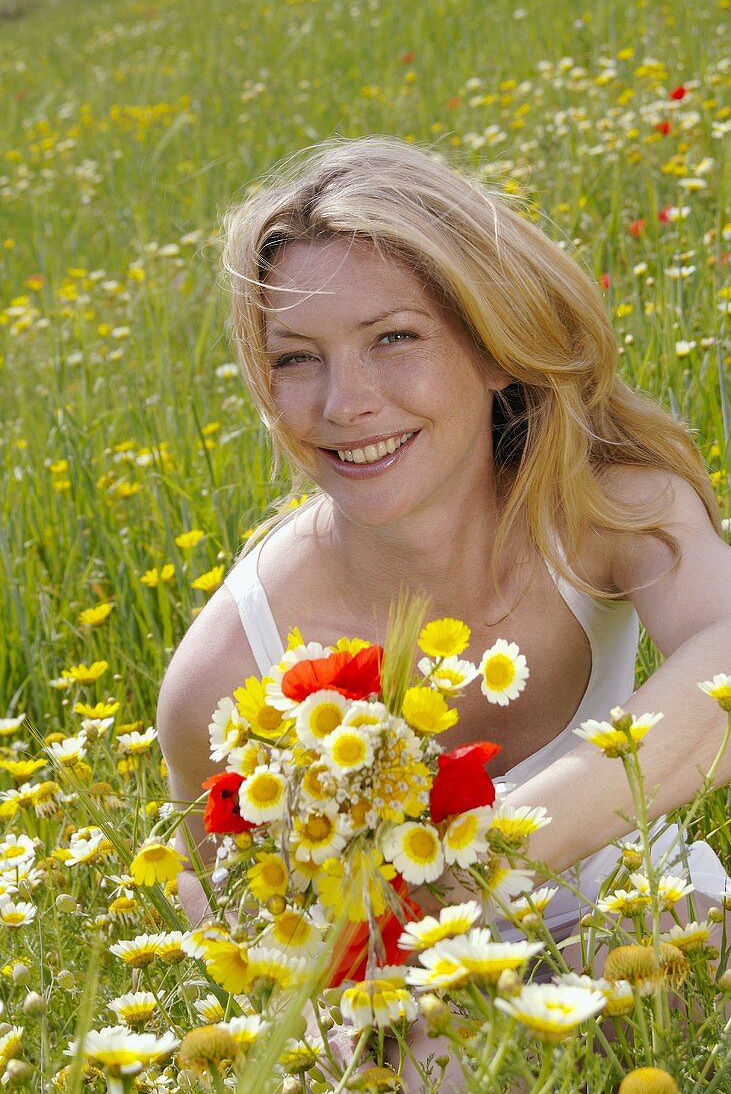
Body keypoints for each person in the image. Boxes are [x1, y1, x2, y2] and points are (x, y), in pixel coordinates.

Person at [157, 134, 730, 1019]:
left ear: (496, 346)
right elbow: (224, 919)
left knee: (692, 953)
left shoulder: (604, 510)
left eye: (394, 338)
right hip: (409, 1002)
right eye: (296, 357)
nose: (344, 402)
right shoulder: (227, 673)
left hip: (641, 918)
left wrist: (494, 850)